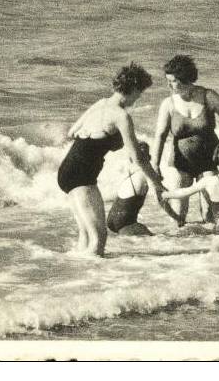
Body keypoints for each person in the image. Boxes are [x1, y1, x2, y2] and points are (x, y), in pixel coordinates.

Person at [57, 62, 166, 256]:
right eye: (139, 93)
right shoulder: (121, 116)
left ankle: (78, 269)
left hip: (67, 170)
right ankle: (92, 280)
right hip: (83, 176)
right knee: (99, 238)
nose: (138, 99)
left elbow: (73, 132)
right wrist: (156, 183)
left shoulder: (100, 103)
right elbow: (137, 158)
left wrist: (101, 139)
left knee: (86, 234)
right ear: (133, 89)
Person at [151, 55, 219, 225]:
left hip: (209, 161)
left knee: (210, 214)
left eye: (173, 81)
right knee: (178, 216)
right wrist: (155, 165)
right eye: (167, 80)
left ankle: (213, 249)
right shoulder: (168, 104)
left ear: (186, 79)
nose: (168, 85)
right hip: (181, 162)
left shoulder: (208, 96)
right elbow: (160, 137)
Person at [106, 141, 154, 236]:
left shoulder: (128, 171)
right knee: (161, 239)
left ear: (131, 159)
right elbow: (161, 198)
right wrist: (177, 217)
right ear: (149, 157)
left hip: (111, 219)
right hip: (125, 223)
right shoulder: (146, 176)